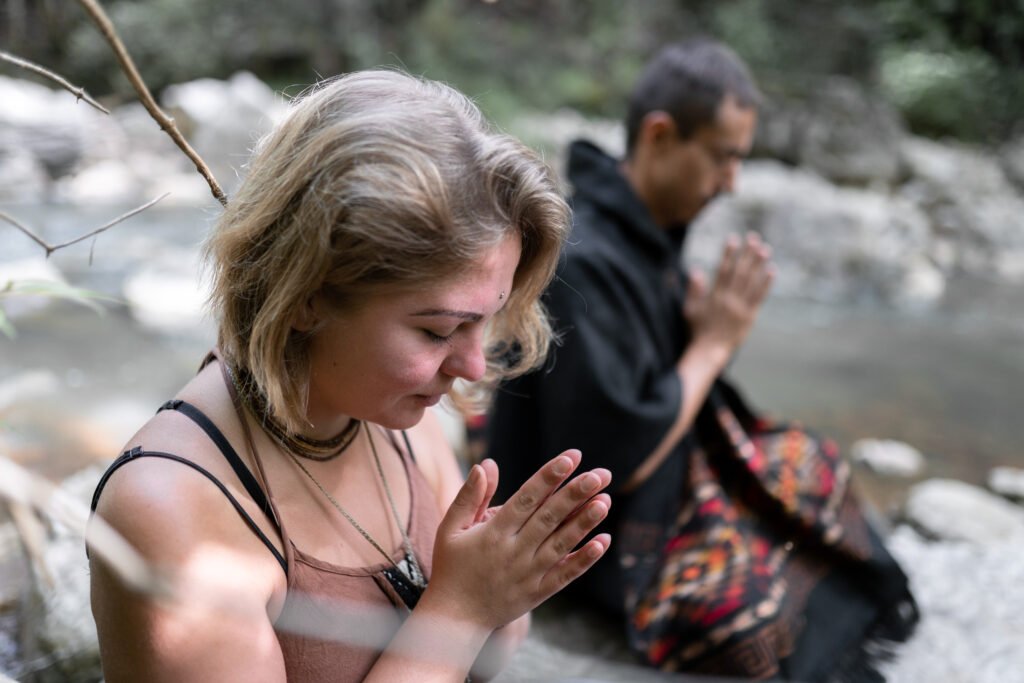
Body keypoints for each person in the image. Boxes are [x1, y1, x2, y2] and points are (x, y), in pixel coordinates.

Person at [87, 69, 614, 683]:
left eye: (488, 320)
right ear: (306, 294)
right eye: (438, 331)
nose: (473, 367)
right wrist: (460, 611)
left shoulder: (401, 418)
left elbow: (486, 656)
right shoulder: (175, 514)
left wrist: (506, 581)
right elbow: (459, 633)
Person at [485, 39, 917, 681]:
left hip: (660, 471)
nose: (733, 181)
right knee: (748, 614)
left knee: (815, 467)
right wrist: (713, 344)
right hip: (594, 532)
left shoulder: (646, 234)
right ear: (660, 137)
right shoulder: (580, 260)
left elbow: (654, 381)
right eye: (723, 157)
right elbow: (612, 462)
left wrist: (694, 333)